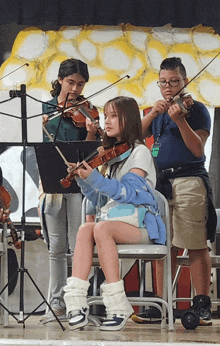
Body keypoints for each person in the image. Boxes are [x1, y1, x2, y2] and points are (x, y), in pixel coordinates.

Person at [63, 96, 166, 331]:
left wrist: (96, 178)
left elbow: (129, 194)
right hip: (113, 223)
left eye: (113, 116)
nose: (106, 121)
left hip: (141, 224)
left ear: (128, 119)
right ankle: (76, 302)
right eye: (106, 115)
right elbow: (102, 200)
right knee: (85, 228)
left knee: (101, 228)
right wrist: (84, 181)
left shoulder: (140, 152)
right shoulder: (113, 156)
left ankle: (118, 306)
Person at [133, 57, 216, 326]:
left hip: (189, 179)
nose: (168, 87)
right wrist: (153, 113)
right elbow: (134, 136)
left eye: (174, 82)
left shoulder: (197, 110)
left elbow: (197, 149)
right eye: (163, 82)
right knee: (162, 246)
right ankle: (161, 304)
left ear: (185, 81)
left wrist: (180, 121)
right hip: (161, 183)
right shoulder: (158, 114)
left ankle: (201, 304)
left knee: (194, 244)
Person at [39, 58, 98, 324]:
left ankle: (77, 301)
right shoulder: (44, 109)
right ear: (60, 80)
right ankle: (55, 302)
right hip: (50, 180)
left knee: (77, 246)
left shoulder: (87, 112)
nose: (75, 88)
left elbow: (91, 152)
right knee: (56, 247)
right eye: (71, 82)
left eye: (81, 84)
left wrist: (90, 133)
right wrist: (38, 124)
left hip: (78, 184)